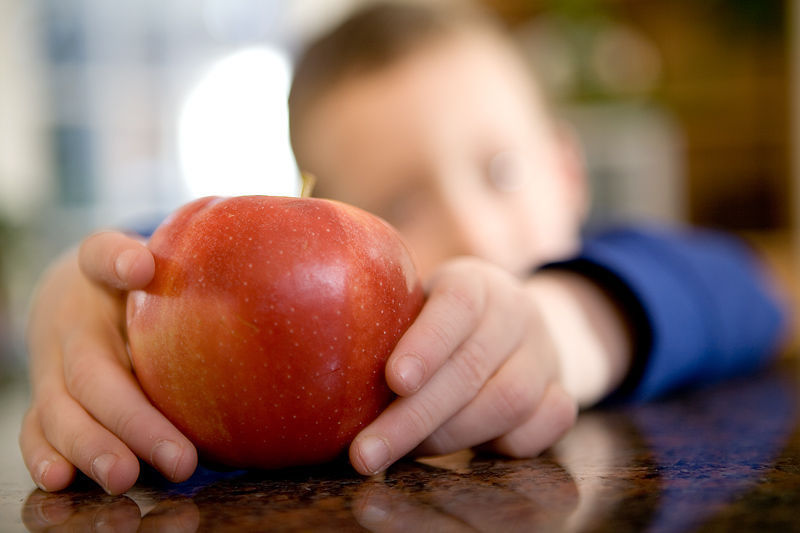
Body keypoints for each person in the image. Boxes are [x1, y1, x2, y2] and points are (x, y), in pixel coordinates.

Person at [20, 2, 788, 496]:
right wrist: (90, 287)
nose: (477, 233)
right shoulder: (348, 328)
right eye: (399, 205)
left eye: (501, 170)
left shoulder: (607, 250)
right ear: (321, 232)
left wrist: (576, 321)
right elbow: (216, 256)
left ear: (567, 171)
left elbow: (744, 288)